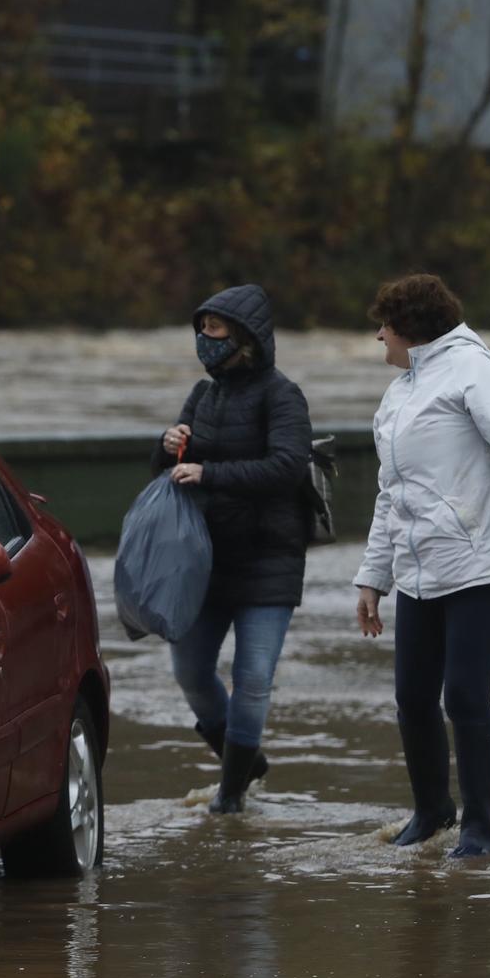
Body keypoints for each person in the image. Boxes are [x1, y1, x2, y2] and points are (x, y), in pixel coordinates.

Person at [352, 274, 490, 857]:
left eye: (386, 327)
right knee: (412, 698)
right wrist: (374, 577)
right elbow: (390, 494)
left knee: (465, 696)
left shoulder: (475, 371)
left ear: (412, 331)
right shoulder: (399, 394)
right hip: (422, 570)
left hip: (485, 563)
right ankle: (431, 812)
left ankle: (479, 829)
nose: (380, 337)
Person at [154, 284, 313, 814]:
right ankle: (241, 758)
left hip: (270, 557)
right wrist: (168, 447)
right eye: (201, 329)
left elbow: (289, 466)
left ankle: (231, 794)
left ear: (243, 336)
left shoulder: (282, 394)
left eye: (214, 329)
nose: (205, 338)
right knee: (191, 672)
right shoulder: (203, 395)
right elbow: (170, 474)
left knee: (252, 679)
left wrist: (210, 472)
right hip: (205, 561)